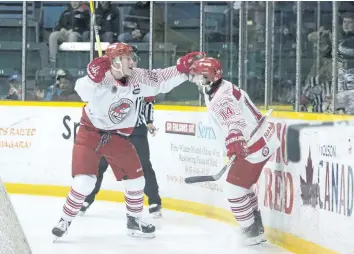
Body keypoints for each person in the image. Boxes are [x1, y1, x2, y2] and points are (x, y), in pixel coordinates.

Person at [51, 42, 204, 240]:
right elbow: (83, 91)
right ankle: (64, 219)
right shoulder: (101, 78)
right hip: (90, 134)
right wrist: (91, 78)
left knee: (136, 180)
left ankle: (134, 219)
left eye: (132, 57)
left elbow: (160, 79)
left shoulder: (137, 76)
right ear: (115, 62)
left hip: (119, 137)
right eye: (128, 58)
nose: (133, 61)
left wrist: (181, 69)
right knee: (85, 182)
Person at [188, 57, 280, 246]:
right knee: (242, 187)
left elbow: (234, 119)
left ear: (212, 76)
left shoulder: (222, 97)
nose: (197, 79)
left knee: (233, 189)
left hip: (254, 146)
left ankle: (250, 232)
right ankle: (256, 227)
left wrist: (235, 138)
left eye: (200, 76)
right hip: (260, 139)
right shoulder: (217, 88)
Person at [79, 96, 163, 218]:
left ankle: (154, 201)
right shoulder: (111, 80)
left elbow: (148, 100)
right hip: (111, 129)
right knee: (99, 164)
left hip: (136, 130)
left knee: (143, 164)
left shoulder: (142, 80)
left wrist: (149, 122)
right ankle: (87, 197)